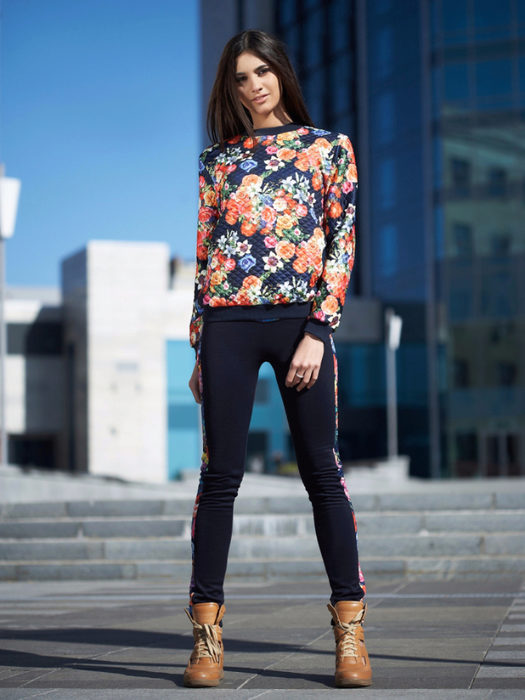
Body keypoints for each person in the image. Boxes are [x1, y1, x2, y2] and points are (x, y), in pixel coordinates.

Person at [183, 28, 372, 689]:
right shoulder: (217, 161)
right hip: (227, 326)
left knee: (322, 473)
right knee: (219, 478)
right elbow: (205, 253)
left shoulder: (328, 148)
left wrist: (319, 329)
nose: (253, 86)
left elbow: (341, 241)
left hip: (300, 324)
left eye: (261, 71)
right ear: (230, 89)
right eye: (240, 77)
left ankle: (350, 634)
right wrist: (199, 341)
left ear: (280, 73)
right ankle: (206, 637)